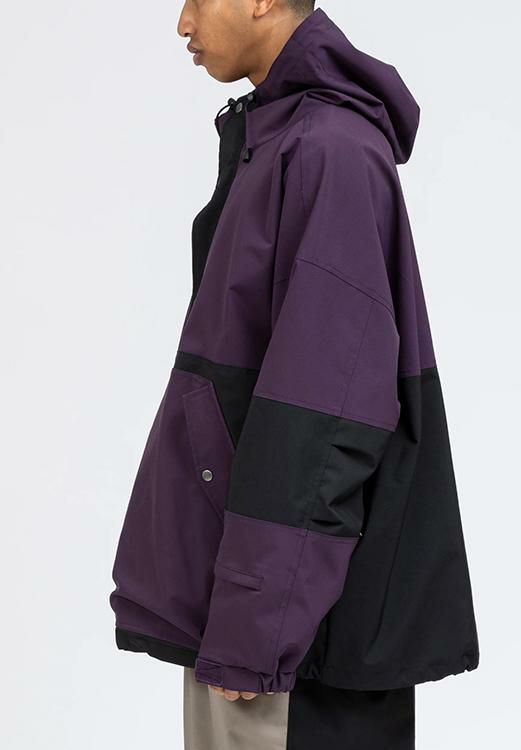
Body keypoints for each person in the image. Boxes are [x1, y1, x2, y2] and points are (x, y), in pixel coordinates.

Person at [108, 2, 480, 748]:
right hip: (258, 604)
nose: (183, 23)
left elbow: (324, 414)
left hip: (293, 643)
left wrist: (256, 621)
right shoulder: (283, 140)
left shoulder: (326, 152)